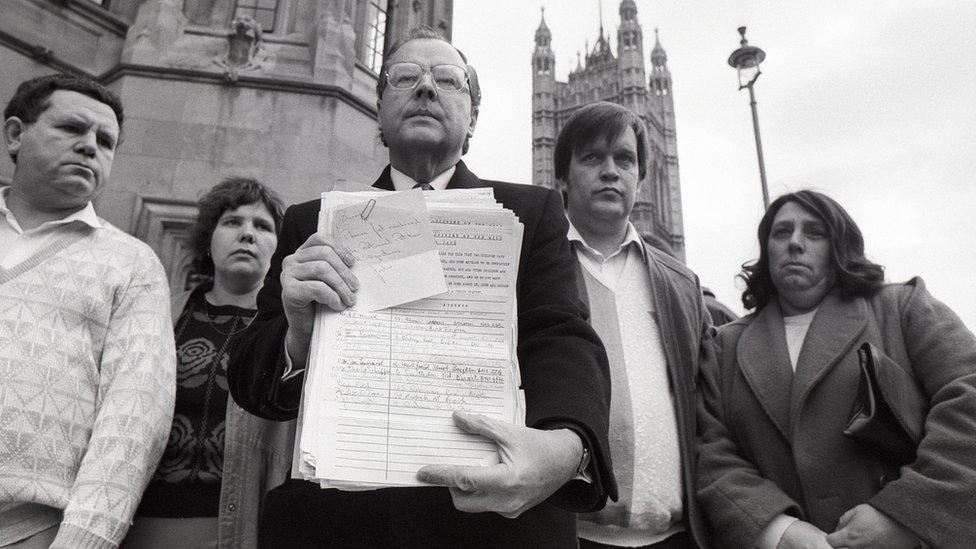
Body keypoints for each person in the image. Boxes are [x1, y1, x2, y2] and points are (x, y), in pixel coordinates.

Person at [227, 26, 615, 548]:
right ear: (380, 113)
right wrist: (297, 336)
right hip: (343, 526)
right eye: (405, 77)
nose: (426, 88)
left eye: (449, 80)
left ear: (472, 117)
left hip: (497, 529)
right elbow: (254, 385)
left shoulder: (531, 213)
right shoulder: (313, 223)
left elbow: (561, 340)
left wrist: (567, 449)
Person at [697, 190, 976, 549]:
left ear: (839, 246)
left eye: (814, 232)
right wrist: (776, 529)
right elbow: (710, 450)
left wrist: (905, 515)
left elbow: (968, 397)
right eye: (781, 232)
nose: (795, 242)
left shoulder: (901, 309)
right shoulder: (725, 348)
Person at [0, 74, 175, 547]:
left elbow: (136, 415)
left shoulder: (132, 264)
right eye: (72, 128)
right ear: (15, 134)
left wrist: (85, 538)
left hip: (29, 530)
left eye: (105, 141)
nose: (89, 146)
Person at [557, 102, 711, 549]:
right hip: (572, 536)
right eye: (592, 158)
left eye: (624, 160)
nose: (611, 171)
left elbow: (709, 412)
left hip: (676, 538)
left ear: (640, 178)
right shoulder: (533, 269)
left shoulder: (682, 284)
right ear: (562, 177)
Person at [124, 178, 291, 548]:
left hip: (241, 527)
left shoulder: (290, 334)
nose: (247, 234)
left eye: (262, 226)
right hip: (141, 523)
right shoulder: (158, 314)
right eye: (232, 222)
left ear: (278, 249)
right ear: (208, 238)